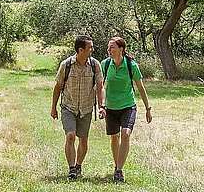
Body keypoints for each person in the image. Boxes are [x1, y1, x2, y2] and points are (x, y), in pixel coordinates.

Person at [50, 35, 105, 180]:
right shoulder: (66, 65)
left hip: (86, 108)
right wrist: (53, 107)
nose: (92, 49)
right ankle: (72, 169)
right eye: (90, 47)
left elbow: (100, 86)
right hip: (69, 106)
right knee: (70, 136)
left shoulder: (95, 65)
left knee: (84, 140)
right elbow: (57, 87)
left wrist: (101, 106)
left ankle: (79, 164)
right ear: (81, 50)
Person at [101, 37, 152, 182]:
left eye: (112, 47)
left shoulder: (131, 65)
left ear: (121, 49)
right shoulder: (105, 65)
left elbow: (140, 88)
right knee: (114, 137)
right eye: (109, 47)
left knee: (125, 134)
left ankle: (119, 170)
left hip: (128, 106)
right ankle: (116, 164)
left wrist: (148, 108)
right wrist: (102, 105)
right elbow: (101, 87)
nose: (109, 50)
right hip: (110, 107)